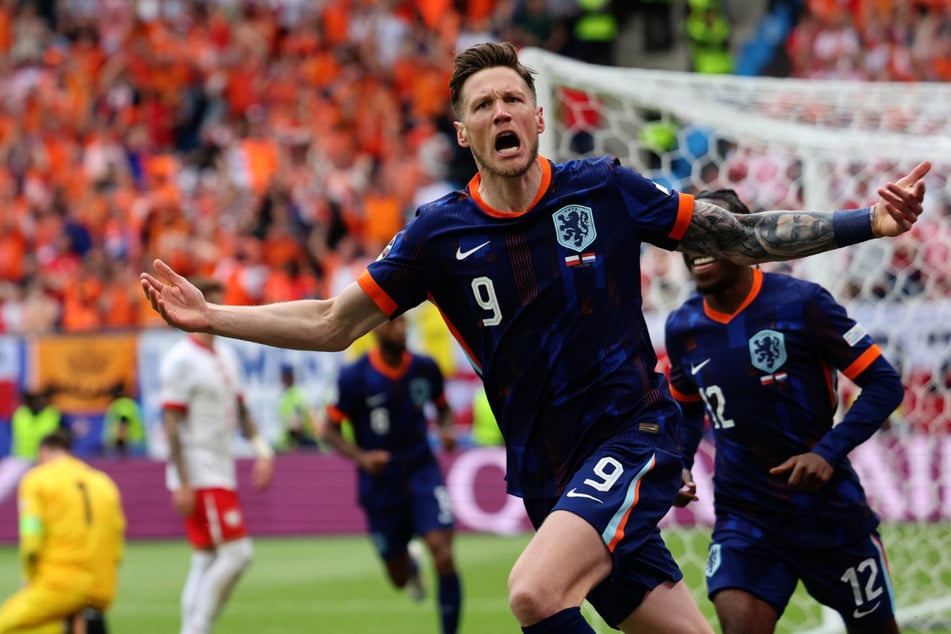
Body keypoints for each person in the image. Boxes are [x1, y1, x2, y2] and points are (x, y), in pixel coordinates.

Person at [141, 41, 929, 634]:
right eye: (482, 106)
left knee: (532, 593)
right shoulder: (437, 236)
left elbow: (740, 232)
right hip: (551, 479)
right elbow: (330, 322)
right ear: (463, 132)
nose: (500, 114)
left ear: (539, 116)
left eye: (511, 100)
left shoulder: (605, 189)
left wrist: (870, 220)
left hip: (634, 436)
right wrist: (212, 317)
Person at [664, 189, 905, 634]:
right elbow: (688, 408)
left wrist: (827, 452)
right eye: (688, 235)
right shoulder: (682, 327)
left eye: (711, 231)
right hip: (746, 518)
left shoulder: (802, 303)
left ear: (749, 242)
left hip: (829, 515)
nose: (697, 246)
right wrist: (678, 462)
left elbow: (884, 384)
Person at [321, 315, 462, 634]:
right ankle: (410, 567)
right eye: (393, 324)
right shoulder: (354, 376)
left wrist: (446, 429)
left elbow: (442, 407)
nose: (401, 330)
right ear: (374, 330)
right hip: (380, 481)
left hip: (421, 470)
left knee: (443, 552)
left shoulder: (425, 367)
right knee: (397, 578)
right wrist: (362, 457)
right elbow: (328, 430)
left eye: (403, 324)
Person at [159, 277, 275, 634]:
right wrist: (181, 479)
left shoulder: (226, 354)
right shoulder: (180, 359)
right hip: (199, 471)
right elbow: (172, 424)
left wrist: (263, 451)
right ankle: (197, 629)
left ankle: (190, 628)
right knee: (239, 554)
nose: (216, 313)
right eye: (212, 304)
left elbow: (243, 412)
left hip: (220, 468)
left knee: (207, 556)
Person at [0, 430, 126, 634]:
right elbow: (117, 540)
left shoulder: (37, 479)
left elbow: (31, 539)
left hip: (60, 583)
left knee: (6, 624)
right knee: (56, 625)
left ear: (42, 452)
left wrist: (29, 579)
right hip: (102, 585)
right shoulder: (104, 482)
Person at [275, 364, 321, 451]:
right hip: (287, 445)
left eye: (289, 375)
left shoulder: (298, 395)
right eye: (285, 375)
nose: (286, 378)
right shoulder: (284, 396)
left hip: (298, 444)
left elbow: (297, 425)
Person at [11, 388, 63, 462]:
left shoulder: (52, 414)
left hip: (46, 458)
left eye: (41, 398)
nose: (38, 402)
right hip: (20, 457)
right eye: (35, 399)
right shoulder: (20, 413)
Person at [100, 382, 147, 458]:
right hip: (135, 444)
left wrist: (120, 446)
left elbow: (123, 423)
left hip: (130, 446)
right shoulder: (128, 403)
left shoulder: (121, 404)